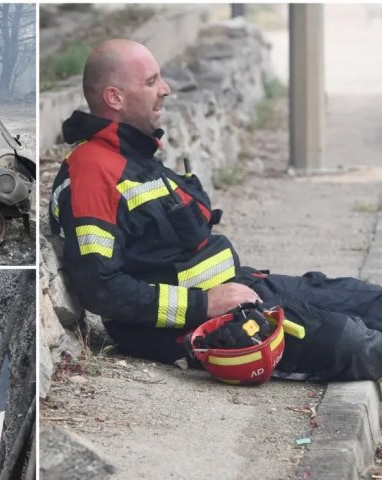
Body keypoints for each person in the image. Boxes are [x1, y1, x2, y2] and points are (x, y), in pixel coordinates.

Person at [49, 38, 382, 382]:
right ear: (114, 97)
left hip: (243, 289)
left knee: (374, 304)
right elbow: (102, 289)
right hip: (198, 322)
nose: (165, 90)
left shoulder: (131, 156)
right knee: (357, 346)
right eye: (150, 82)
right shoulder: (92, 172)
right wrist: (204, 305)